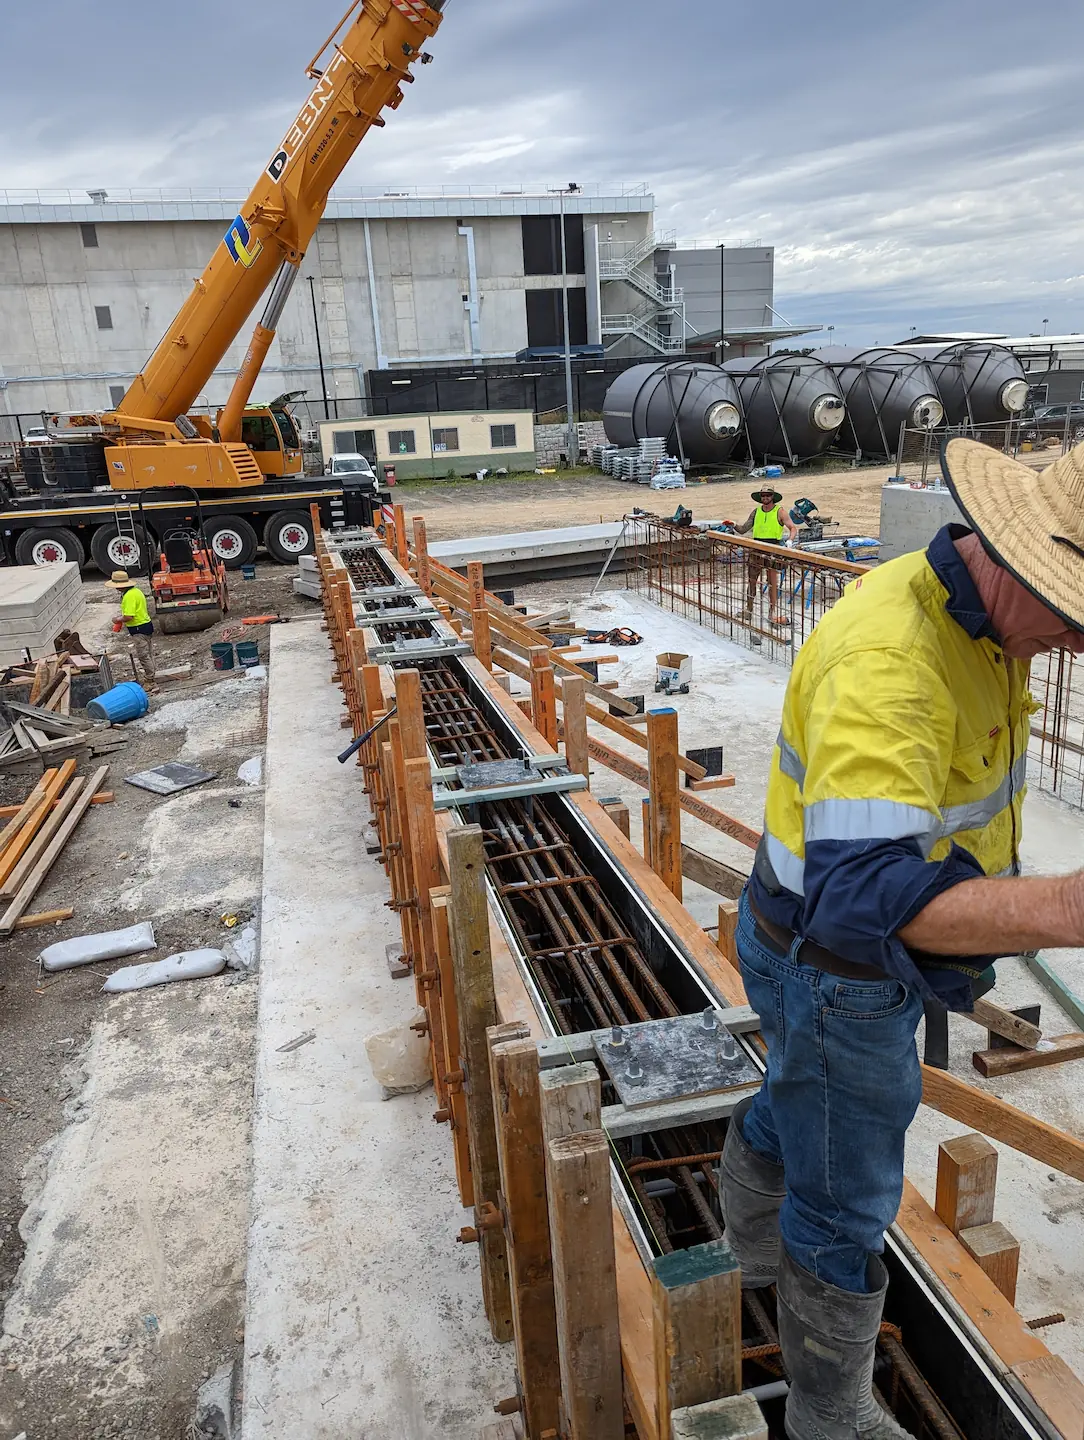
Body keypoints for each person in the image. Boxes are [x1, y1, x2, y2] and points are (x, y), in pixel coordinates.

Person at [718, 436, 1084, 1440]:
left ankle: (744, 1240)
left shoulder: (984, 628)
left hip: (819, 949)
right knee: (845, 1205)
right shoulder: (893, 661)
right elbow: (858, 894)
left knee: (799, 1105)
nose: (1076, 645)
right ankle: (826, 1419)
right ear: (1009, 560)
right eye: (1072, 617)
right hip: (835, 972)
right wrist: (1062, 908)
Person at [734, 485, 798, 625]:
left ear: (772, 496)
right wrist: (732, 525)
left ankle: (772, 613)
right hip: (756, 549)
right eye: (763, 495)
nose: (765, 498)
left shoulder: (779, 511)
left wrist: (789, 541)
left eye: (768, 495)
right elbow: (743, 529)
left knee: (772, 583)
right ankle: (749, 610)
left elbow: (793, 527)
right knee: (751, 581)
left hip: (772, 549)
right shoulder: (756, 512)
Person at [107, 569, 159, 693]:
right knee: (149, 653)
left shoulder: (129, 596)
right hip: (145, 625)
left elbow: (129, 616)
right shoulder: (136, 591)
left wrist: (117, 620)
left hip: (138, 628)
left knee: (143, 655)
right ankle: (151, 675)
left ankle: (150, 680)